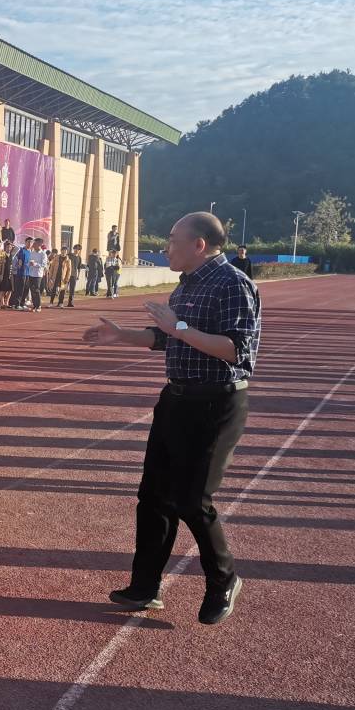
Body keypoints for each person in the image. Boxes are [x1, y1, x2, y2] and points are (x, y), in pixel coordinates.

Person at [84, 211, 260, 625]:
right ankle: (145, 586)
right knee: (153, 496)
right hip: (175, 400)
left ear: (199, 244)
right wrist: (123, 335)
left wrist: (179, 327)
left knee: (193, 500)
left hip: (216, 403)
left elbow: (238, 351)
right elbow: (167, 338)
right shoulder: (187, 284)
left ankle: (224, 579)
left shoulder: (233, 283)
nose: (166, 248)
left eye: (173, 240)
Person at [10, 237, 33, 310]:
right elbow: (19, 261)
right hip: (21, 273)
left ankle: (22, 304)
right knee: (20, 289)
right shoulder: (22, 251)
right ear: (25, 242)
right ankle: (17, 304)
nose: (30, 243)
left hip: (28, 273)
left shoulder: (30, 252)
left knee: (26, 289)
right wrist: (20, 265)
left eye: (31, 242)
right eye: (28, 242)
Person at [25, 237, 48, 311]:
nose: (33, 244)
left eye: (35, 243)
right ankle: (34, 305)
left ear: (39, 244)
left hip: (38, 274)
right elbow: (29, 262)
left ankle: (38, 306)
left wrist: (35, 264)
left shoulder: (43, 254)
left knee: (36, 290)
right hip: (31, 273)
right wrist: (29, 264)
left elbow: (43, 265)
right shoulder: (32, 253)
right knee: (32, 290)